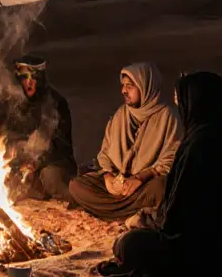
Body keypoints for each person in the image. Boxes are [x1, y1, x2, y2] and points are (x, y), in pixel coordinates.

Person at [99, 71, 222, 277]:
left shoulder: (198, 146)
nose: (180, 108)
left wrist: (146, 221)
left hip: (210, 254)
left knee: (128, 244)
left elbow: (179, 217)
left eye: (182, 101)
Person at [68, 62, 180, 222]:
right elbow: (105, 154)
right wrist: (108, 178)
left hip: (144, 186)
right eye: (123, 86)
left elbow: (172, 159)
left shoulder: (168, 116)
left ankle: (114, 211)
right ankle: (129, 212)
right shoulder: (121, 115)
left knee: (161, 187)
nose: (123, 91)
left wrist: (140, 179)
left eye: (130, 86)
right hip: (118, 187)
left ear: (146, 86)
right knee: (77, 185)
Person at [0, 55, 77, 201]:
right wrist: (16, 156)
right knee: (2, 181)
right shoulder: (9, 103)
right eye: (25, 78)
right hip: (20, 163)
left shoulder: (55, 104)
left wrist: (37, 162)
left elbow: (61, 147)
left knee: (51, 178)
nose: (29, 83)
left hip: (52, 163)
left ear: (41, 79)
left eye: (34, 78)